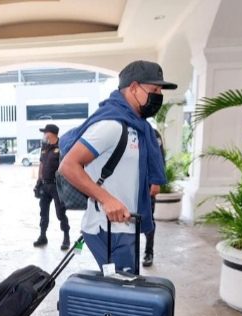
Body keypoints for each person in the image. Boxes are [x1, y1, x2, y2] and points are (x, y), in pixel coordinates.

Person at [59, 60, 174, 272]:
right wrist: (107, 199)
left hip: (126, 225)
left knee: (120, 293)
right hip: (110, 227)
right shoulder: (111, 125)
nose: (159, 96)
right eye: (154, 90)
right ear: (133, 88)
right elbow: (68, 166)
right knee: (123, 297)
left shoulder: (140, 129)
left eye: (160, 91)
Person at [33, 123, 71, 251]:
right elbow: (42, 164)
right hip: (45, 185)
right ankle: (43, 236)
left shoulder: (62, 146)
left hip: (57, 186)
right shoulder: (45, 147)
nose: (44, 135)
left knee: (60, 212)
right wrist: (38, 181)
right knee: (43, 212)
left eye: (45, 132)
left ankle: (66, 236)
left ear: (51, 133)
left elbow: (67, 166)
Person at [143, 130, 166, 267]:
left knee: (148, 219)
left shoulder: (152, 133)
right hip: (126, 184)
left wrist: (156, 182)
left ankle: (148, 252)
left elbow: (159, 157)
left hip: (147, 184)